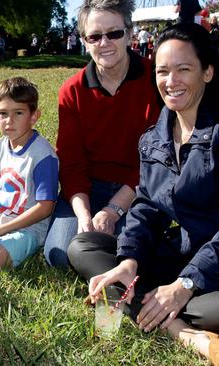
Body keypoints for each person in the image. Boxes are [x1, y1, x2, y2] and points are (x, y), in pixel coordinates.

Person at [69, 23, 219, 366]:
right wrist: (129, 259)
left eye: (184, 69)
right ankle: (177, 328)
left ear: (208, 72)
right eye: (163, 71)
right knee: (84, 246)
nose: (171, 81)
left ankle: (146, 302)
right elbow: (147, 207)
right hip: (188, 250)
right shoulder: (156, 134)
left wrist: (185, 283)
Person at [43, 0, 161, 271]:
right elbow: (71, 162)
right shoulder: (71, 91)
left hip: (140, 190)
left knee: (129, 249)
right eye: (95, 36)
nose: (104, 42)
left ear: (130, 34)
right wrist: (84, 216)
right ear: (84, 41)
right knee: (59, 255)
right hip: (88, 188)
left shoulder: (156, 78)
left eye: (114, 33)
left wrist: (113, 210)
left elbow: (156, 161)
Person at [0, 77, 58, 269]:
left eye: (18, 113)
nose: (9, 121)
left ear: (34, 116)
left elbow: (45, 207)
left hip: (26, 230)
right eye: (3, 113)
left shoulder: (42, 155)